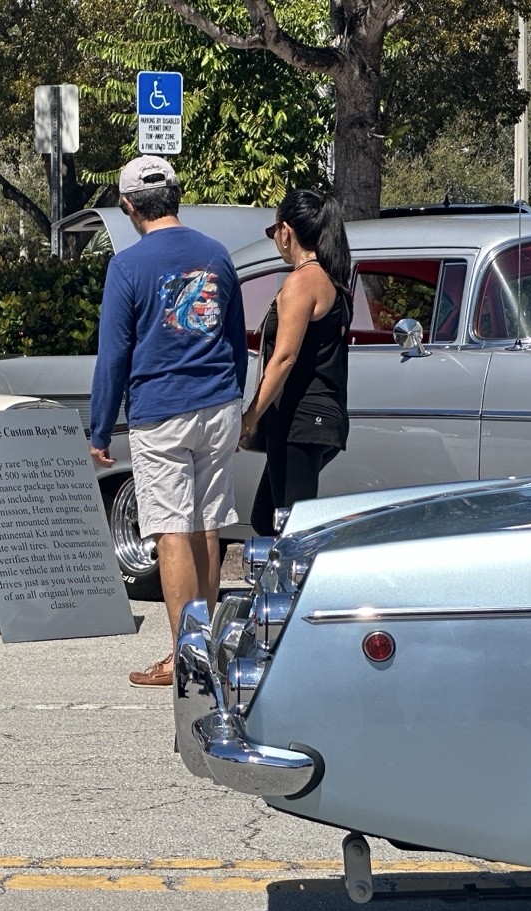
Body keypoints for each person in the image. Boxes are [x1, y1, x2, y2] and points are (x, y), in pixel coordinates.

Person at [89, 156, 249, 688]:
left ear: (129, 205)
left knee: (169, 532)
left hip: (162, 410)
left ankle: (186, 658)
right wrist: (234, 400)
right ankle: (212, 650)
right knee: (208, 526)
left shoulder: (128, 265)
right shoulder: (217, 255)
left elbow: (113, 355)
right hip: (219, 402)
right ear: (177, 196)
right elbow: (235, 339)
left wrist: (99, 430)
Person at [240, 189, 352, 535]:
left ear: (286, 231)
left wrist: (250, 416)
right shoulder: (331, 277)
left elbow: (284, 357)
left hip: (300, 418)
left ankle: (300, 587)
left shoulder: (302, 282)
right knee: (266, 517)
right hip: (320, 416)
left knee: (292, 526)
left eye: (273, 232)